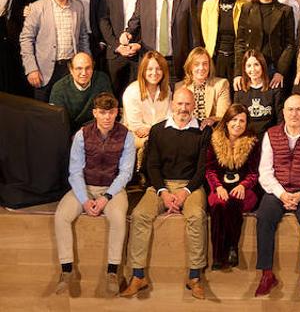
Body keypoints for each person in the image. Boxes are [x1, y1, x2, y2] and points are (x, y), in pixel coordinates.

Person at [121, 86, 210, 299]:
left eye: (188, 104)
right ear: (172, 105)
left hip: (191, 186)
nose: (183, 108)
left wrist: (185, 193)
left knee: (196, 216)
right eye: (179, 103)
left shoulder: (203, 131)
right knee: (139, 215)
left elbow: (201, 169)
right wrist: (163, 191)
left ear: (193, 107)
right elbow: (152, 166)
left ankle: (195, 276)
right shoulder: (158, 130)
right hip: (161, 186)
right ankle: (138, 276)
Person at [53, 91, 134, 297]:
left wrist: (106, 198)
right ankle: (67, 269)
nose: (107, 117)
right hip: (85, 186)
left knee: (118, 218)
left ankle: (113, 271)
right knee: (61, 216)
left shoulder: (126, 135)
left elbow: (126, 172)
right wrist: (85, 199)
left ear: (117, 112)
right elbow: (75, 171)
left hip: (112, 189)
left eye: (111, 112)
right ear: (95, 113)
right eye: (102, 112)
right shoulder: (82, 135)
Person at [254, 94, 300, 299]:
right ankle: (266, 274)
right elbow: (265, 171)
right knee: (264, 216)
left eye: (299, 109)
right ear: (283, 112)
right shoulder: (271, 134)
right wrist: (282, 193)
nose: (294, 114)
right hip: (278, 189)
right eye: (290, 109)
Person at [204, 103, 261, 270]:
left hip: (245, 190)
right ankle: (217, 255)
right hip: (220, 187)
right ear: (227, 122)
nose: (237, 124)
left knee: (234, 202)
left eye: (242, 121)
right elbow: (210, 169)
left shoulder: (253, 142)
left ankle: (232, 248)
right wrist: (218, 187)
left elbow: (254, 172)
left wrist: (244, 185)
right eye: (234, 120)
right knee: (218, 204)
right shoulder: (215, 140)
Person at [20, 0, 91, 101]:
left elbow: (83, 37)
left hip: (70, 68)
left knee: (67, 109)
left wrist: (86, 62)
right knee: (42, 112)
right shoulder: (37, 7)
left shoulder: (78, 6)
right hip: (43, 69)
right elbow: (26, 39)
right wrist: (31, 68)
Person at [125, 0, 199, 81]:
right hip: (151, 63)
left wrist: (193, 62)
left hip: (176, 64)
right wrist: (127, 34)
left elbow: (193, 35)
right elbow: (134, 24)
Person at [99, 0, 153, 91]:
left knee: (139, 94)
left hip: (141, 50)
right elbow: (103, 19)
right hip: (116, 51)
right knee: (114, 94)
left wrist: (140, 44)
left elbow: (152, 22)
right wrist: (117, 45)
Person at [121, 50, 171, 167]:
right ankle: (142, 170)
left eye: (159, 69)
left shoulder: (166, 90)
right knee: (151, 143)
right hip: (135, 136)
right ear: (143, 71)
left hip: (160, 134)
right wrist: (157, 129)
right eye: (150, 69)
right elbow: (136, 126)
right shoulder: (132, 91)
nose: (154, 73)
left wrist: (151, 130)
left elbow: (169, 119)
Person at [200, 0, 247, 81]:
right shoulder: (208, 6)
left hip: (238, 60)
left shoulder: (245, 6)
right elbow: (205, 35)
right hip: (215, 59)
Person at [49, 51, 112, 130]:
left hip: (97, 129)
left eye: (88, 68)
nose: (84, 73)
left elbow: (108, 110)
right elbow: (58, 121)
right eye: (79, 68)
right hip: (70, 133)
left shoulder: (102, 80)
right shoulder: (59, 88)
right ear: (71, 70)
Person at [233, 49, 282, 135]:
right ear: (244, 68)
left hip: (269, 136)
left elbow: (280, 118)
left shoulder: (274, 89)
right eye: (248, 66)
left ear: (263, 66)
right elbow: (236, 118)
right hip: (246, 137)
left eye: (256, 64)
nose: (253, 69)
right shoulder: (240, 90)